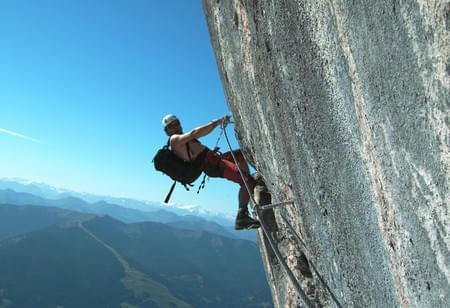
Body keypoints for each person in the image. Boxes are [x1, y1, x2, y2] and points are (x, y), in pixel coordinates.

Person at [162, 114, 261, 230]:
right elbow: (194, 133)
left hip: (213, 160)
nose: (176, 127)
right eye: (171, 126)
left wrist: (209, 152)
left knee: (241, 154)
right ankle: (242, 217)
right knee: (247, 181)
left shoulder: (182, 140)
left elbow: (196, 153)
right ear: (167, 131)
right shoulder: (174, 140)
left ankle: (247, 187)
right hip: (213, 165)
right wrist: (216, 122)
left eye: (177, 123)